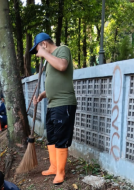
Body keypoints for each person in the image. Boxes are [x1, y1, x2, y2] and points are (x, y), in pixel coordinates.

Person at [30, 33, 77, 185]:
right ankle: (54, 166)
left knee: (61, 139)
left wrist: (44, 54)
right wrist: (42, 95)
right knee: (51, 137)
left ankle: (61, 172)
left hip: (64, 104)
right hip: (52, 104)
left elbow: (62, 66)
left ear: (44, 44)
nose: (38, 54)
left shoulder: (62, 50)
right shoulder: (49, 61)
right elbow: (55, 83)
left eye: (37, 49)